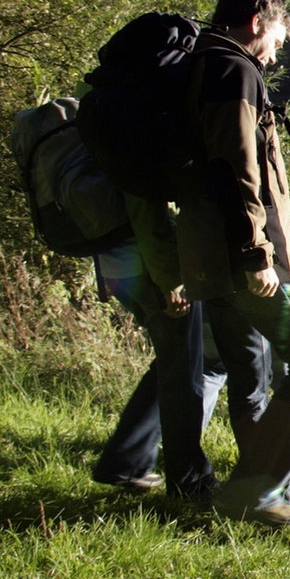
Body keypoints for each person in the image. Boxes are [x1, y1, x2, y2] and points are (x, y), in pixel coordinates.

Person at [173, 0, 290, 527]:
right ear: (254, 22)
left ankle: (270, 486)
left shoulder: (198, 67)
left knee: (251, 377)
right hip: (246, 258)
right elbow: (238, 169)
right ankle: (255, 490)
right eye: (276, 40)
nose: (274, 53)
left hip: (207, 258)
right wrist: (257, 253)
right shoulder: (233, 71)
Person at [89, 197, 219, 500]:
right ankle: (189, 482)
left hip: (120, 265)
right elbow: (146, 207)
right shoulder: (138, 149)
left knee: (173, 363)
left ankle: (125, 461)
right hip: (153, 269)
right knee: (183, 371)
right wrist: (171, 281)